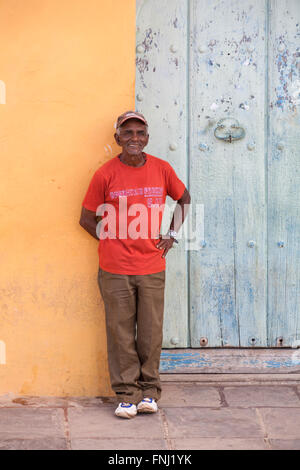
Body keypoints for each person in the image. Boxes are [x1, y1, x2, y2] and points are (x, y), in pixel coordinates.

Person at [79, 110, 191, 418]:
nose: (134, 138)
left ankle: (150, 392)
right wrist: (111, 240)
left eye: (140, 133)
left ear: (147, 138)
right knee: (120, 333)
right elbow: (86, 218)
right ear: (117, 138)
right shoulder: (105, 174)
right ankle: (126, 395)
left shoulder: (161, 169)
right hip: (114, 270)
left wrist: (170, 235)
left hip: (152, 267)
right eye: (127, 133)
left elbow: (184, 200)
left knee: (151, 334)